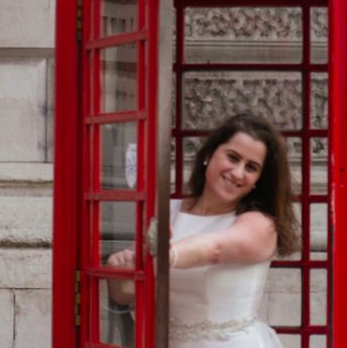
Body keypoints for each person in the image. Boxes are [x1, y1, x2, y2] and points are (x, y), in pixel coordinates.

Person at [108, 113, 299, 347]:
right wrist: (120, 270)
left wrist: (166, 256)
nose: (238, 173)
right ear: (209, 154)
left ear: (259, 179)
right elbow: (125, 294)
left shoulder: (260, 224)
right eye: (233, 157)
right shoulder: (168, 210)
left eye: (251, 167)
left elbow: (214, 248)